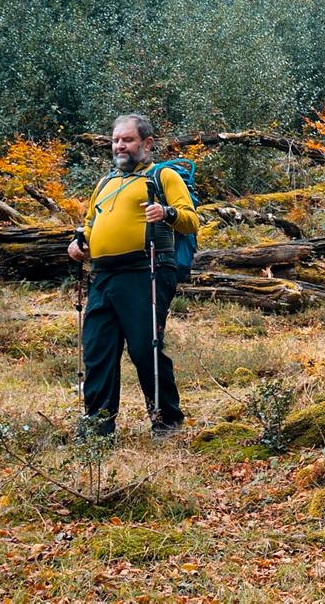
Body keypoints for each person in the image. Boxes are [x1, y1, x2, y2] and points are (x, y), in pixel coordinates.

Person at [66, 114, 198, 438]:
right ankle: (97, 429)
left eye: (127, 140)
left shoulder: (162, 176)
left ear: (147, 144)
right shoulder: (105, 183)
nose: (120, 146)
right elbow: (90, 224)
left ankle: (167, 421)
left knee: (144, 348)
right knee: (98, 350)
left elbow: (191, 221)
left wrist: (166, 213)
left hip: (147, 271)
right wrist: (79, 243)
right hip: (103, 276)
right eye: (116, 140)